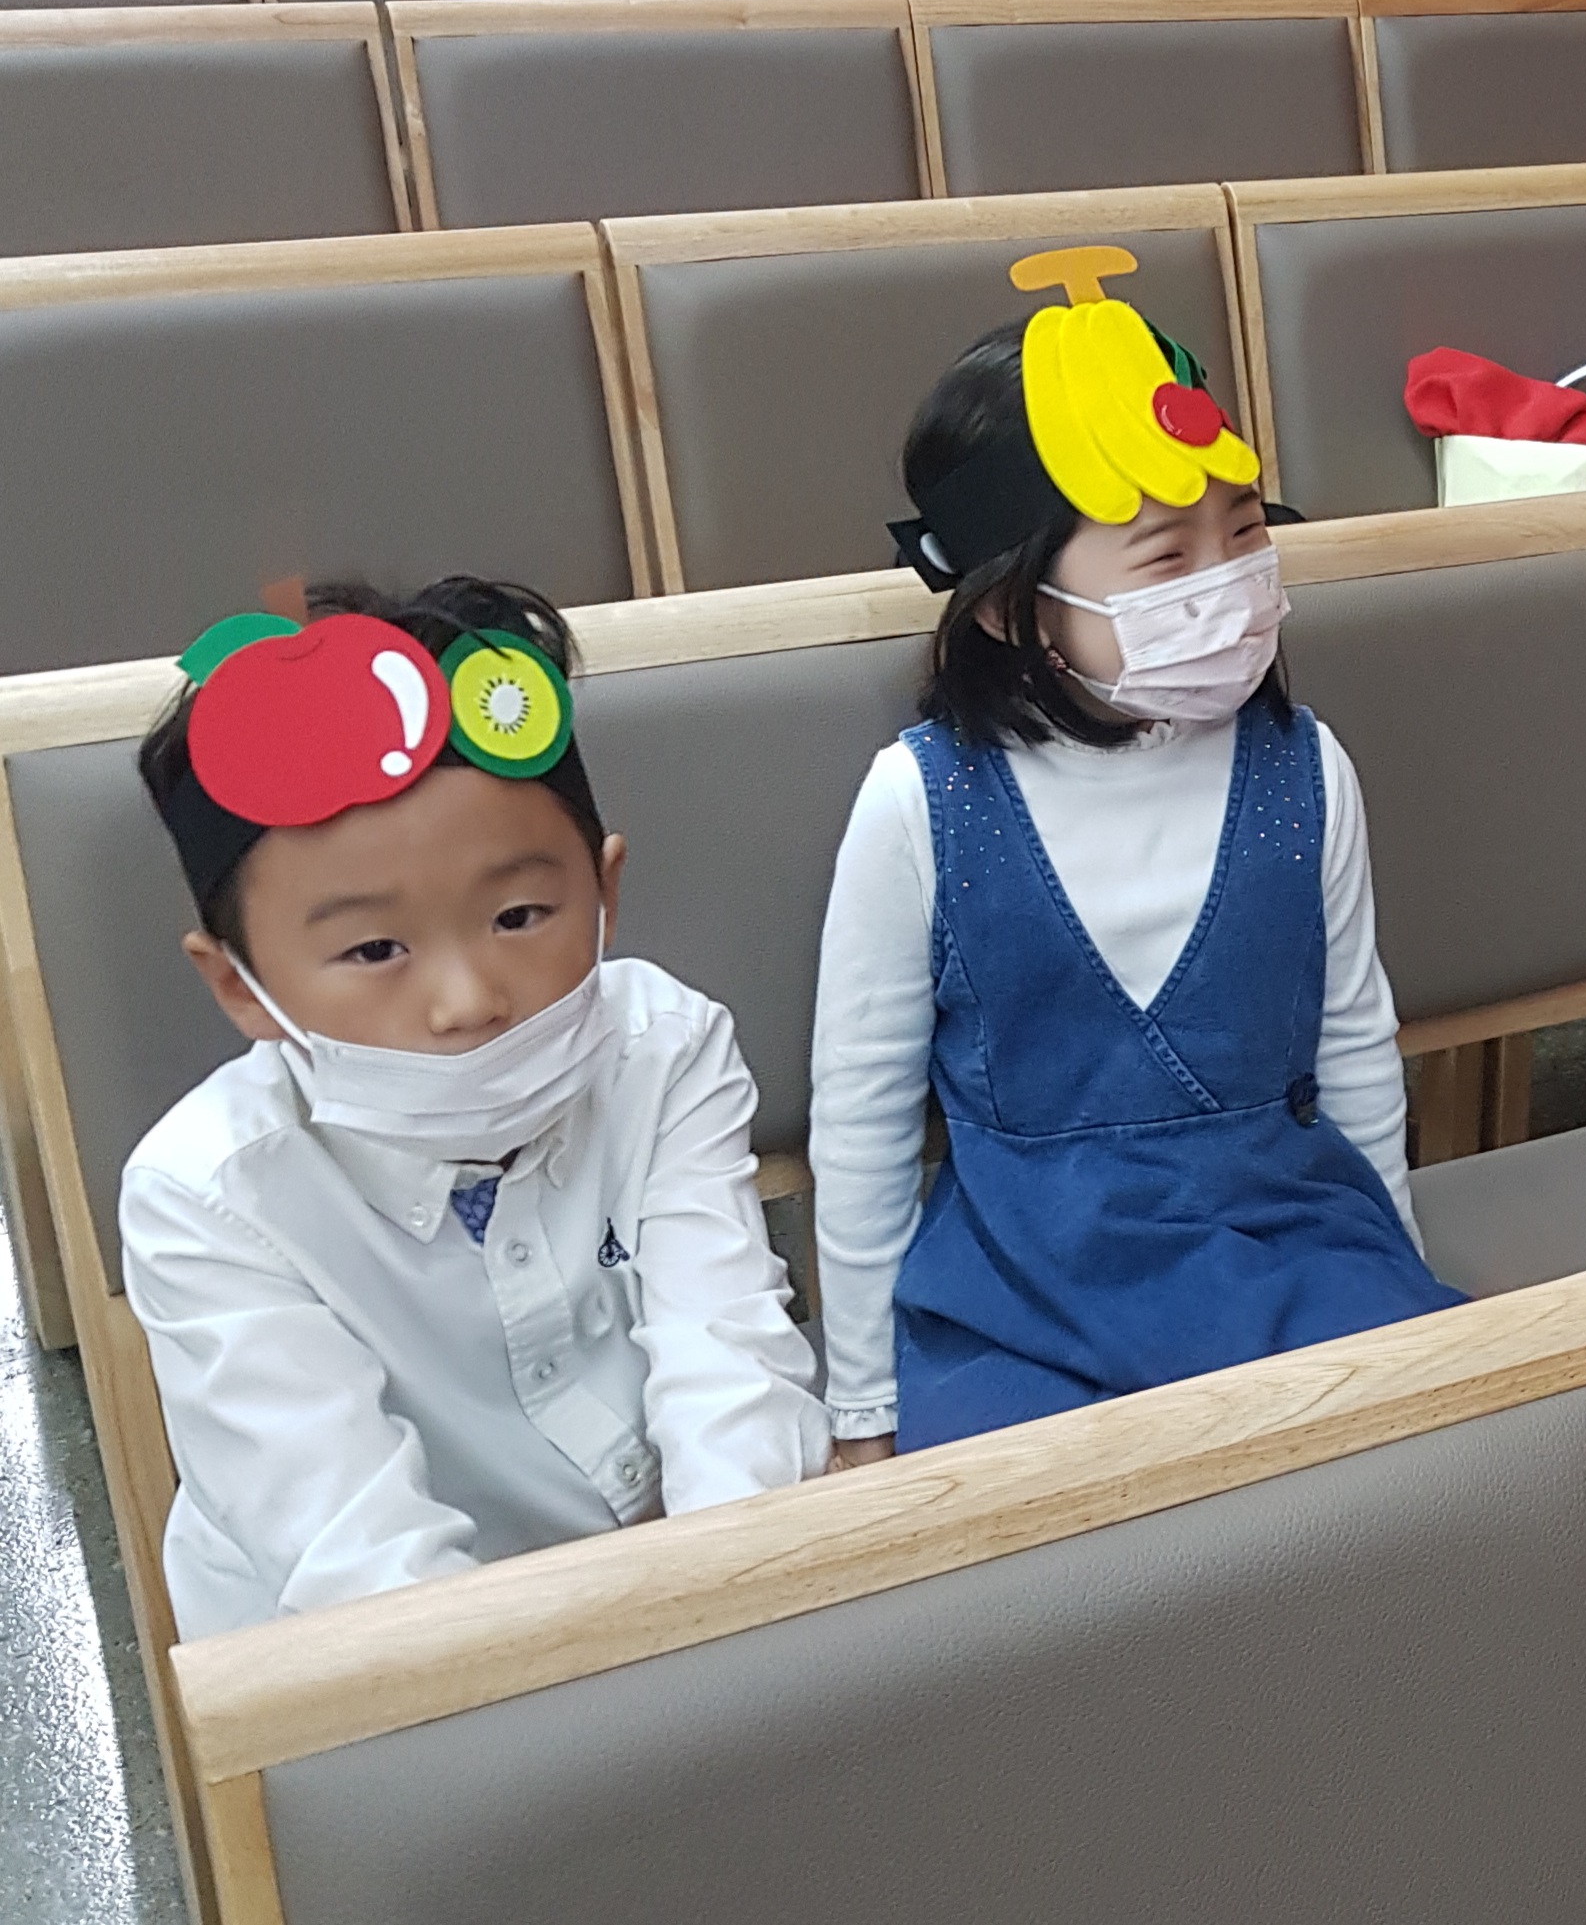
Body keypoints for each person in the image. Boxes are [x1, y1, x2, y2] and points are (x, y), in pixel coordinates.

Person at [810, 247, 1456, 1460]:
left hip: (1284, 1240)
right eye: (1164, 557)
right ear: (1007, 604)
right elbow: (862, 1116)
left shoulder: (1306, 768)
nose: (1228, 584)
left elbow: (1355, 1044)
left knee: (1418, 1468)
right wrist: (861, 1408)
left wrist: (1398, 1274)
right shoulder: (919, 803)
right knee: (1037, 1540)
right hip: (1016, 1291)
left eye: (1246, 533)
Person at [122, 580, 827, 1639]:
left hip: (674, 1595)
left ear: (605, 891)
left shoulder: (663, 1048)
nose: (468, 1002)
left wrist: (733, 1614)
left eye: (519, 915)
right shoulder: (209, 1198)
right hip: (385, 1667)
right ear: (240, 985)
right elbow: (355, 1556)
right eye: (374, 949)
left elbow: (727, 1362)